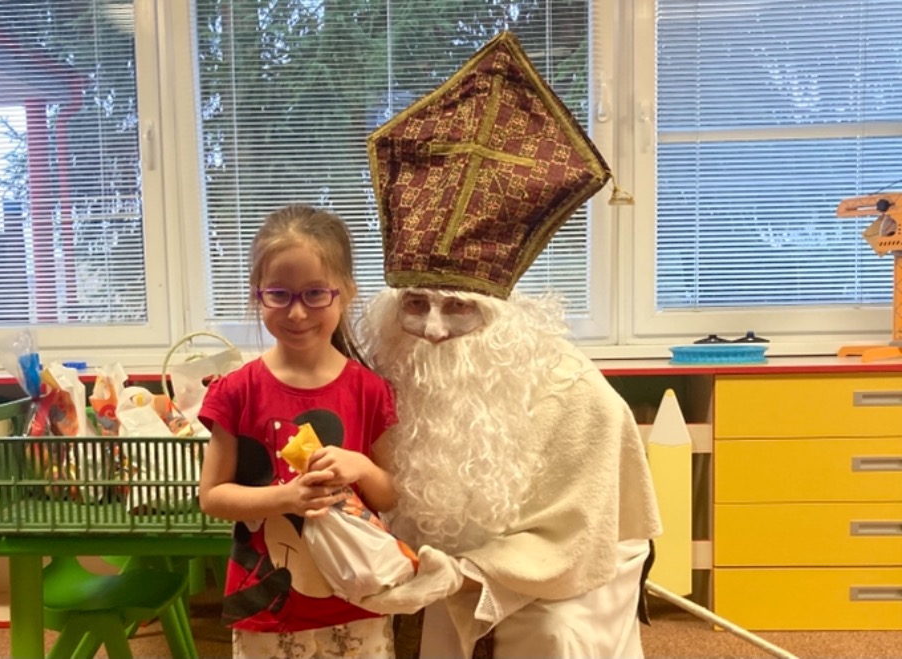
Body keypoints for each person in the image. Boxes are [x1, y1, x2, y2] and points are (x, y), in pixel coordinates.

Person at [355, 32, 663, 658]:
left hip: (559, 575)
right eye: (415, 304)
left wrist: (472, 572)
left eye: (458, 307)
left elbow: (580, 535)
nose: (433, 329)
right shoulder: (385, 368)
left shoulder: (574, 393)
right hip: (428, 565)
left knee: (548, 637)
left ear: (498, 316)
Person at [198, 204, 399, 658]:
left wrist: (361, 466)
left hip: (356, 595)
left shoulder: (370, 391)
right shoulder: (236, 391)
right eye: (279, 294)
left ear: (346, 293)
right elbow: (212, 497)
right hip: (268, 601)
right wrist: (286, 498)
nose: (296, 312)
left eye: (314, 294)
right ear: (258, 295)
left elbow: (389, 495)